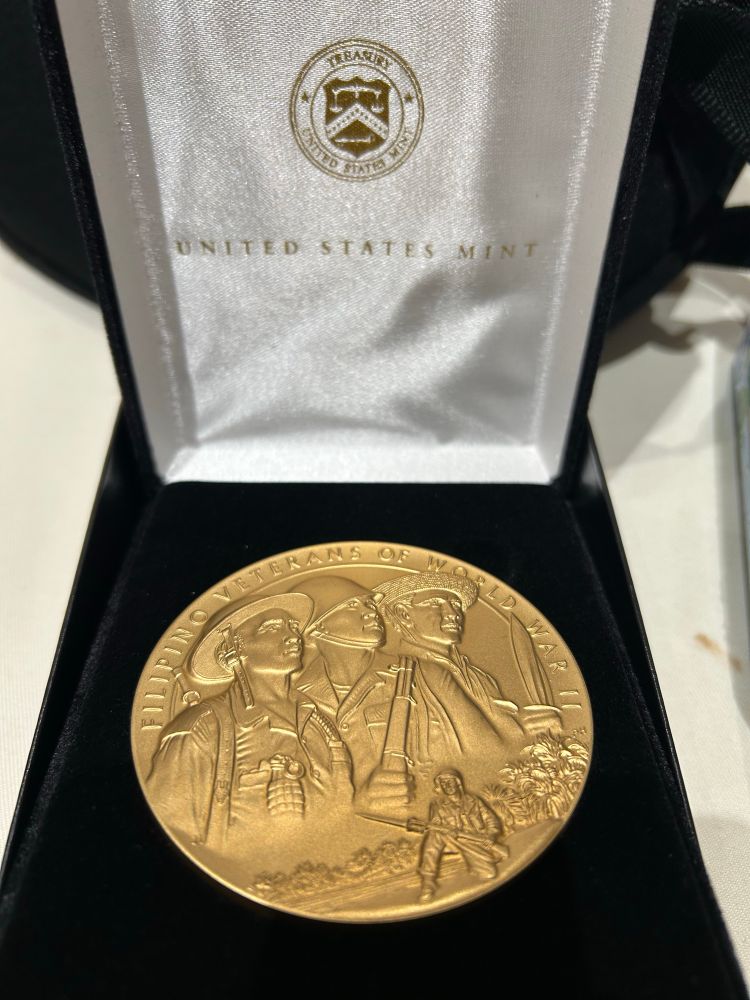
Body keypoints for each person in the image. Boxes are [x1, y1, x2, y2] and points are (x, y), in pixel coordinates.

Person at [296, 572, 523, 811]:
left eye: (370, 603)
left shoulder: (425, 674)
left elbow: (494, 759)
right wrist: (355, 805)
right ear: (316, 628)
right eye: (352, 605)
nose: (371, 611)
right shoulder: (297, 698)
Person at [147, 593, 353, 849]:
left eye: (293, 627)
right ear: (235, 649)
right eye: (272, 628)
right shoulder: (201, 726)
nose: (293, 636)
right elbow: (172, 826)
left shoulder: (318, 718)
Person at [416, 769, 508, 903]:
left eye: (450, 781)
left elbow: (491, 820)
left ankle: (488, 858)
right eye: (443, 783)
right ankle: (428, 882)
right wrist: (445, 830)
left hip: (475, 841)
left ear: (458, 783)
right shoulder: (437, 805)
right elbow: (435, 824)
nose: (447, 785)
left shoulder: (474, 801)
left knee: (489, 874)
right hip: (451, 840)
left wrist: (491, 836)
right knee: (434, 834)